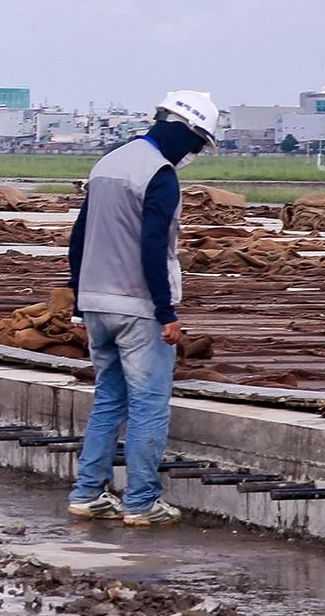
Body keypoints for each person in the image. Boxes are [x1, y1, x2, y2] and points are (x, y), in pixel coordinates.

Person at [65, 89, 219, 527]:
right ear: (183, 130)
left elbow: (79, 235)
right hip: (138, 306)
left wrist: (79, 293)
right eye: (195, 143)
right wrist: (166, 311)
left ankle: (88, 493)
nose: (193, 153)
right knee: (149, 403)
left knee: (109, 398)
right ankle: (141, 502)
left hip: (95, 302)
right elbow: (152, 245)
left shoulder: (108, 163)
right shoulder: (160, 174)